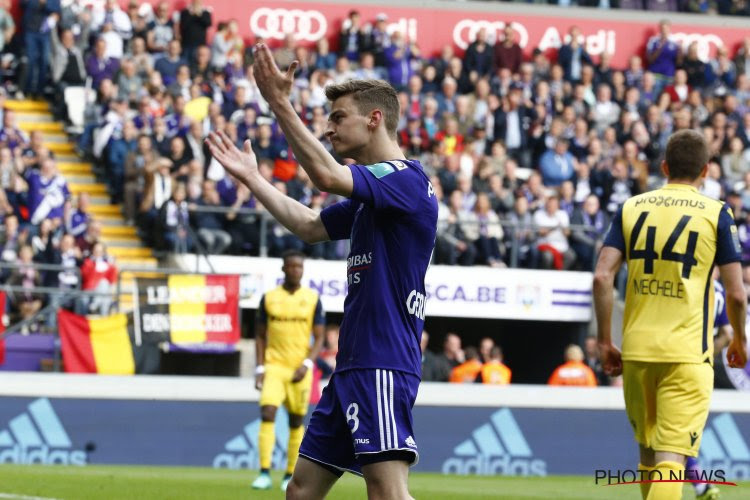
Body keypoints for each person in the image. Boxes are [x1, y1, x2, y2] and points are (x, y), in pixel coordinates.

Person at [206, 45, 437, 500]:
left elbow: (326, 177)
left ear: (374, 119)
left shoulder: (406, 180)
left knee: (387, 492)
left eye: (338, 117)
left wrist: (278, 103)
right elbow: (310, 226)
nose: (328, 127)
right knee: (301, 491)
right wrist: (253, 180)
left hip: (383, 360)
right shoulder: (374, 196)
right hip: (351, 365)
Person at [593, 130, 748, 500]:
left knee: (648, 455)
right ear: (706, 171)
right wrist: (740, 338)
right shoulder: (717, 214)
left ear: (664, 167)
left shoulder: (631, 207)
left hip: (636, 350)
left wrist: (603, 341)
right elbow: (738, 295)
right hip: (686, 353)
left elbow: (601, 276)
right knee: (670, 460)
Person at [252, 250, 325, 492]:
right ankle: (263, 472)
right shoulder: (269, 298)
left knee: (296, 421)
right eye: (292, 266)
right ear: (283, 269)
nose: (296, 270)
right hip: (274, 366)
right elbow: (260, 335)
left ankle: (288, 474)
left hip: (299, 369)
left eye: (299, 267)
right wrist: (260, 366)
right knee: (267, 413)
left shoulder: (312, 299)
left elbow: (320, 336)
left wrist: (307, 364)